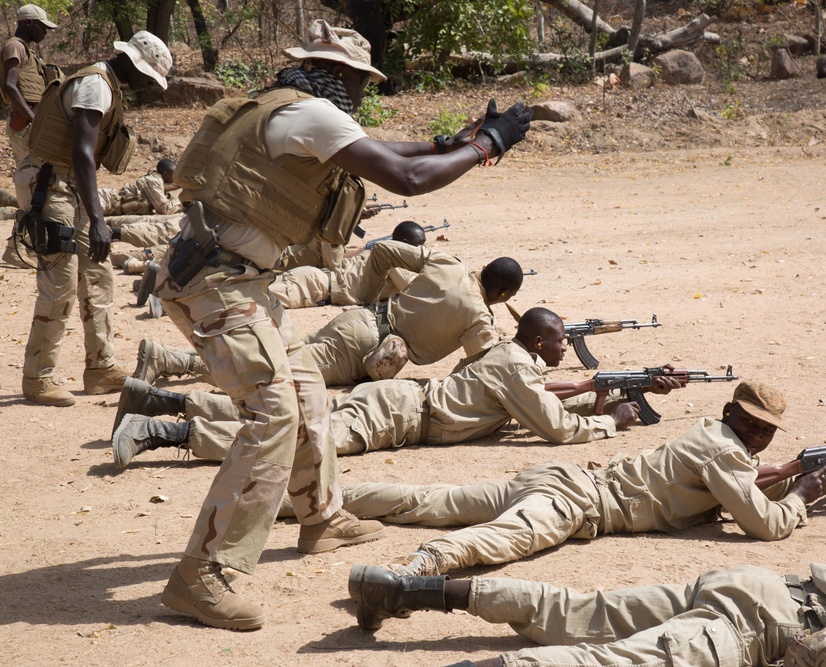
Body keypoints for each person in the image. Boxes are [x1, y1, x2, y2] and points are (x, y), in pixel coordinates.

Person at [152, 19, 531, 631]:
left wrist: (450, 144)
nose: (359, 95)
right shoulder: (312, 115)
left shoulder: (288, 109)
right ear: (339, 75)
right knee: (273, 411)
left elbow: (390, 157)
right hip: (218, 284)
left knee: (305, 388)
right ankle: (206, 574)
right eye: (358, 83)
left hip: (229, 277)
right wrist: (489, 144)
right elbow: (403, 179)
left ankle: (321, 517)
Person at [349, 464, 826, 667]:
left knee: (577, 609)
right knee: (626, 661)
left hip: (768, 586)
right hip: (785, 624)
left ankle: (412, 588)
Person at [334, 379, 826, 579]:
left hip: (565, 479)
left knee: (431, 499)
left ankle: (312, 499)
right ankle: (419, 566)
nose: (759, 436)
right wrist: (803, 493)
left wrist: (821, 470)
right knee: (500, 539)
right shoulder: (726, 450)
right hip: (578, 503)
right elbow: (765, 525)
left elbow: (742, 484)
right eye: (751, 424)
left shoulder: (712, 435)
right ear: (731, 414)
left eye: (766, 429)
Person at [110, 307, 665, 468]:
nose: (566, 348)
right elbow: (554, 427)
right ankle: (163, 430)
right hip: (398, 418)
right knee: (296, 441)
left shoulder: (511, 355)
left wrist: (603, 387)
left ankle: (165, 398)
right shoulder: (519, 370)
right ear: (542, 343)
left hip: (400, 402)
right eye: (562, 341)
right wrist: (608, 419)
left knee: (285, 415)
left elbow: (543, 390)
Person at [13, 31, 171, 406]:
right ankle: (39, 377)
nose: (146, 86)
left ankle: (100, 368)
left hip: (72, 186)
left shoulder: (108, 85)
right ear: (132, 63)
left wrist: (93, 213)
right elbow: (82, 152)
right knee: (60, 282)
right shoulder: (95, 86)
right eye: (147, 78)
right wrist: (98, 219)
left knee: (98, 275)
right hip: (50, 185)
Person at [132, 250, 523, 388]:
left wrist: (368, 302)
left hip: (359, 320)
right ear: (504, 295)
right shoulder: (478, 317)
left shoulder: (449, 262)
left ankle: (170, 361)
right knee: (273, 373)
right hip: (360, 348)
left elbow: (384, 250)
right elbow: (480, 367)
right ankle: (170, 361)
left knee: (279, 359)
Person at [1, 3, 59, 266]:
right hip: (25, 125)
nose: (45, 32)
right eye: (42, 27)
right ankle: (16, 248)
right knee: (31, 183)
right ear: (28, 24)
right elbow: (10, 86)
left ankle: (23, 246)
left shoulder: (27, 52)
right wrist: (34, 118)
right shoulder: (15, 46)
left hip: (31, 125)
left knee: (38, 183)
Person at [267, 219, 426, 309]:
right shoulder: (393, 261)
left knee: (249, 293)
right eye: (420, 244)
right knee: (251, 303)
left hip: (312, 279)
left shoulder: (376, 254)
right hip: (313, 287)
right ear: (405, 243)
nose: (423, 249)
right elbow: (418, 292)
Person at [99, 157, 181, 216]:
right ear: (165, 174)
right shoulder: (154, 181)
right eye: (174, 174)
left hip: (110, 204)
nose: (176, 177)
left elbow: (166, 187)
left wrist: (181, 184)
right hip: (106, 200)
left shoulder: (156, 179)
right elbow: (165, 209)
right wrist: (183, 200)